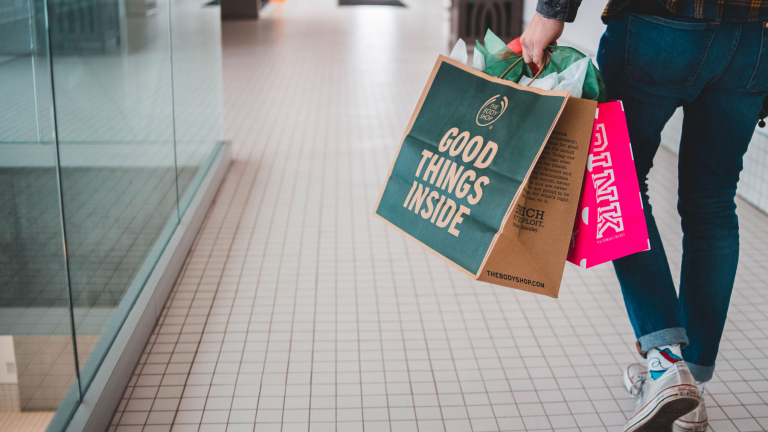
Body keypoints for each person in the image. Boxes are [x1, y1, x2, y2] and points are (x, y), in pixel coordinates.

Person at [520, 0, 768, 431]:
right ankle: (692, 387)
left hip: (659, 24)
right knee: (712, 203)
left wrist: (552, 11)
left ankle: (667, 363)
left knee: (618, 183)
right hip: (754, 37)